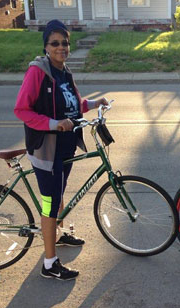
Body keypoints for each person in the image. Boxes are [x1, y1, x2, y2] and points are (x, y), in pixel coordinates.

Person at [14, 20, 108, 280]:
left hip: (65, 148)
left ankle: (61, 232)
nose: (61, 47)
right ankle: (49, 262)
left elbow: (73, 104)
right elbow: (22, 110)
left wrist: (93, 102)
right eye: (55, 43)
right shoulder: (38, 72)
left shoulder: (65, 72)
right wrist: (54, 124)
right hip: (46, 150)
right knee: (50, 204)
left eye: (65, 43)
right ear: (46, 46)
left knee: (60, 193)